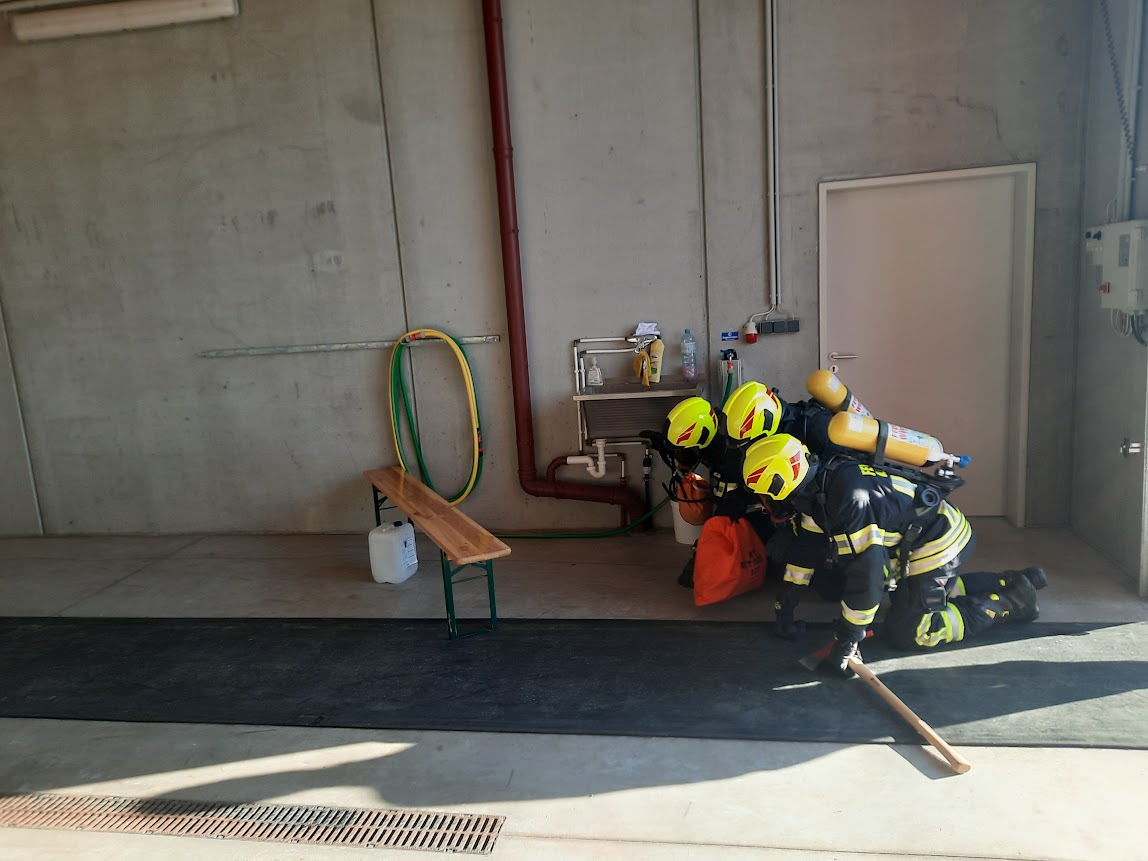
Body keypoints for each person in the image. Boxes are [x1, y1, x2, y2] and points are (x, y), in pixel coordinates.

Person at [740, 433, 1048, 676]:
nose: (764, 502)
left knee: (909, 632)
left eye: (764, 494)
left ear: (780, 484)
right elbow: (805, 551)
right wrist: (786, 603)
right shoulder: (819, 491)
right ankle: (1013, 580)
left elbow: (868, 576)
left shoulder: (847, 502)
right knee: (907, 599)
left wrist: (848, 639)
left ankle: (1013, 602)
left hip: (937, 543)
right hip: (928, 535)